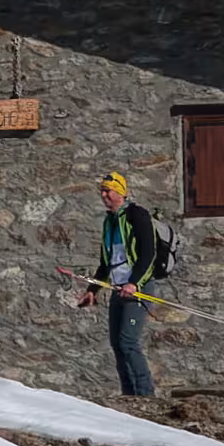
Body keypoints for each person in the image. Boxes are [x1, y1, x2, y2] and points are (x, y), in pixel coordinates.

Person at [79, 168, 168, 400]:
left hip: (137, 289)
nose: (104, 196)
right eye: (102, 192)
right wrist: (92, 290)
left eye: (108, 191)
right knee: (117, 344)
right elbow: (105, 262)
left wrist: (134, 283)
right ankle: (129, 396)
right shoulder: (109, 222)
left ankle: (145, 396)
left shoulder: (137, 215)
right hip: (118, 289)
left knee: (128, 340)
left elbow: (148, 253)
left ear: (120, 192)